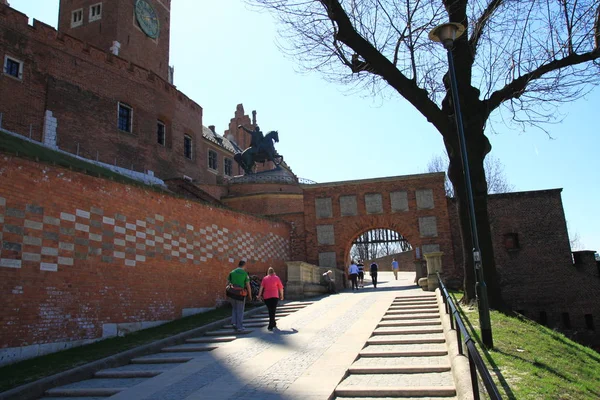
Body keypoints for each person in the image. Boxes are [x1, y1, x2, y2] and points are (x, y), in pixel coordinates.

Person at [227, 260, 252, 332]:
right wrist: (250, 295)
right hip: (240, 294)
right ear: (244, 265)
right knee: (240, 310)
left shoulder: (232, 272)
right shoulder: (245, 273)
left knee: (234, 308)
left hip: (231, 293)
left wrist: (228, 293)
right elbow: (248, 285)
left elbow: (228, 283)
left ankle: (234, 322)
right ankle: (239, 326)